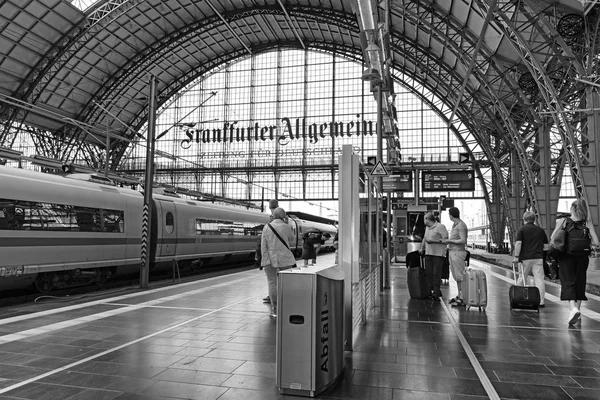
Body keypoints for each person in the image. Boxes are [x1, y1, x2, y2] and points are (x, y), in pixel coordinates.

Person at [550, 199, 600, 325]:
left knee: (567, 282)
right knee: (579, 282)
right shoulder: (587, 223)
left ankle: (573, 308)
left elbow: (553, 238)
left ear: (572, 208)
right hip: (582, 258)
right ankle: (578, 311)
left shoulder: (563, 221)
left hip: (566, 257)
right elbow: (596, 242)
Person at [261, 207, 297, 318]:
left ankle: (275, 309)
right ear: (284, 216)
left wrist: (265, 260)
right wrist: (286, 223)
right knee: (286, 283)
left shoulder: (266, 227)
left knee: (272, 283)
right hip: (285, 258)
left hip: (270, 258)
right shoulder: (286, 227)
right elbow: (292, 238)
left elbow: (263, 246)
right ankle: (286, 307)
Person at [513, 211, 549, 307]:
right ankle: (541, 301)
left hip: (525, 259)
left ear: (524, 219)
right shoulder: (540, 230)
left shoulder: (522, 230)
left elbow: (518, 244)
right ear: (534, 219)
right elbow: (546, 246)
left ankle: (518, 298)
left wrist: (516, 257)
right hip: (538, 258)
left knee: (522, 278)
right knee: (539, 279)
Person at [441, 207, 468, 306]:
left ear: (451, 215)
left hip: (458, 253)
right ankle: (460, 295)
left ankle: (463, 297)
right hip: (453, 252)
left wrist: (449, 241)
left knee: (460, 276)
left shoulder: (461, 225)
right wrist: (448, 247)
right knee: (456, 276)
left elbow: (463, 240)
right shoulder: (455, 225)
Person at [419, 212, 448, 301]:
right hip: (428, 253)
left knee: (436, 274)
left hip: (438, 254)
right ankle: (435, 291)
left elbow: (446, 240)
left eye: (425, 219)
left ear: (428, 219)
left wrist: (433, 241)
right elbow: (424, 238)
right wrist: (421, 248)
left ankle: (435, 293)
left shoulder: (440, 227)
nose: (424, 220)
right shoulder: (427, 228)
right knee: (429, 273)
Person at [260, 199, 280, 304]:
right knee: (278, 279)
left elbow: (264, 244)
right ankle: (277, 298)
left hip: (271, 255)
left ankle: (274, 303)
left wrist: (264, 259)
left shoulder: (270, 222)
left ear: (269, 207)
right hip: (282, 255)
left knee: (272, 281)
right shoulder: (283, 219)